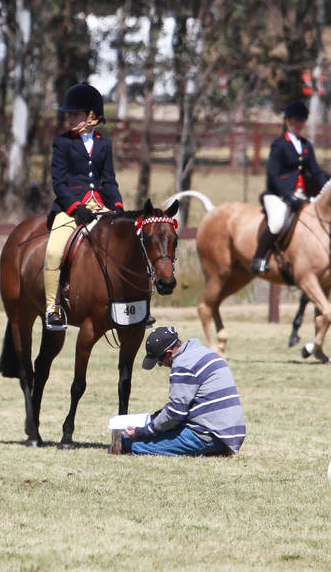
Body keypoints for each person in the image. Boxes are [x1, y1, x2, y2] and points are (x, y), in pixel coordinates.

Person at [44, 83, 124, 330]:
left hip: (100, 206)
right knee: (53, 252)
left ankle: (130, 303)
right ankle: (52, 307)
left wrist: (118, 206)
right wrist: (75, 208)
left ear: (92, 116)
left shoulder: (104, 144)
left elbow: (109, 180)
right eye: (68, 114)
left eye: (75, 114)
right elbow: (59, 182)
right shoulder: (62, 143)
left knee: (127, 244)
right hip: (70, 208)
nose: (69, 119)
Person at [120, 326, 246, 456]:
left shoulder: (183, 365)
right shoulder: (203, 353)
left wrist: (142, 432)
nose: (160, 365)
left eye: (159, 360)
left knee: (135, 445)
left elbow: (175, 413)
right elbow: (185, 406)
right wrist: (156, 417)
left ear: (169, 353)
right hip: (230, 434)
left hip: (210, 435)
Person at [250, 99, 327, 274]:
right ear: (287, 121)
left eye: (300, 121)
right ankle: (258, 258)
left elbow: (316, 171)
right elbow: (273, 174)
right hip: (277, 194)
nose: (297, 124)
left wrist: (327, 189)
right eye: (294, 121)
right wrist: (286, 194)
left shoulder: (306, 145)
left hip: (301, 195)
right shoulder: (279, 145)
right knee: (277, 223)